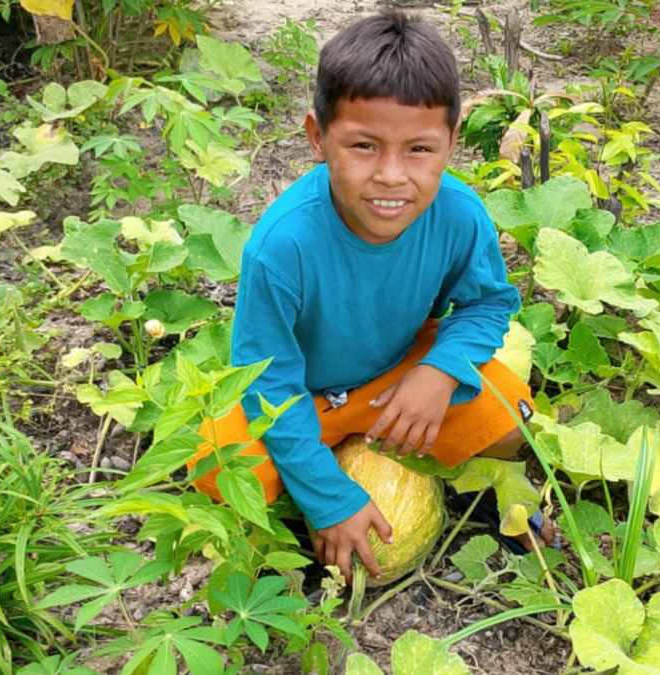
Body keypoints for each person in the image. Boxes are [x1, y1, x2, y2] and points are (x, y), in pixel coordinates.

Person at [190, 9, 540, 584]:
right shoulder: (282, 245)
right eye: (364, 146)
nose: (391, 176)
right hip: (301, 396)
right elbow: (267, 380)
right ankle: (330, 469)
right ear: (317, 138)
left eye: (419, 151)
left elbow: (487, 304)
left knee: (509, 420)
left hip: (398, 377)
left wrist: (441, 371)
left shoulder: (459, 215)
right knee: (217, 468)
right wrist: (329, 500)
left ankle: (390, 459)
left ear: (452, 143)